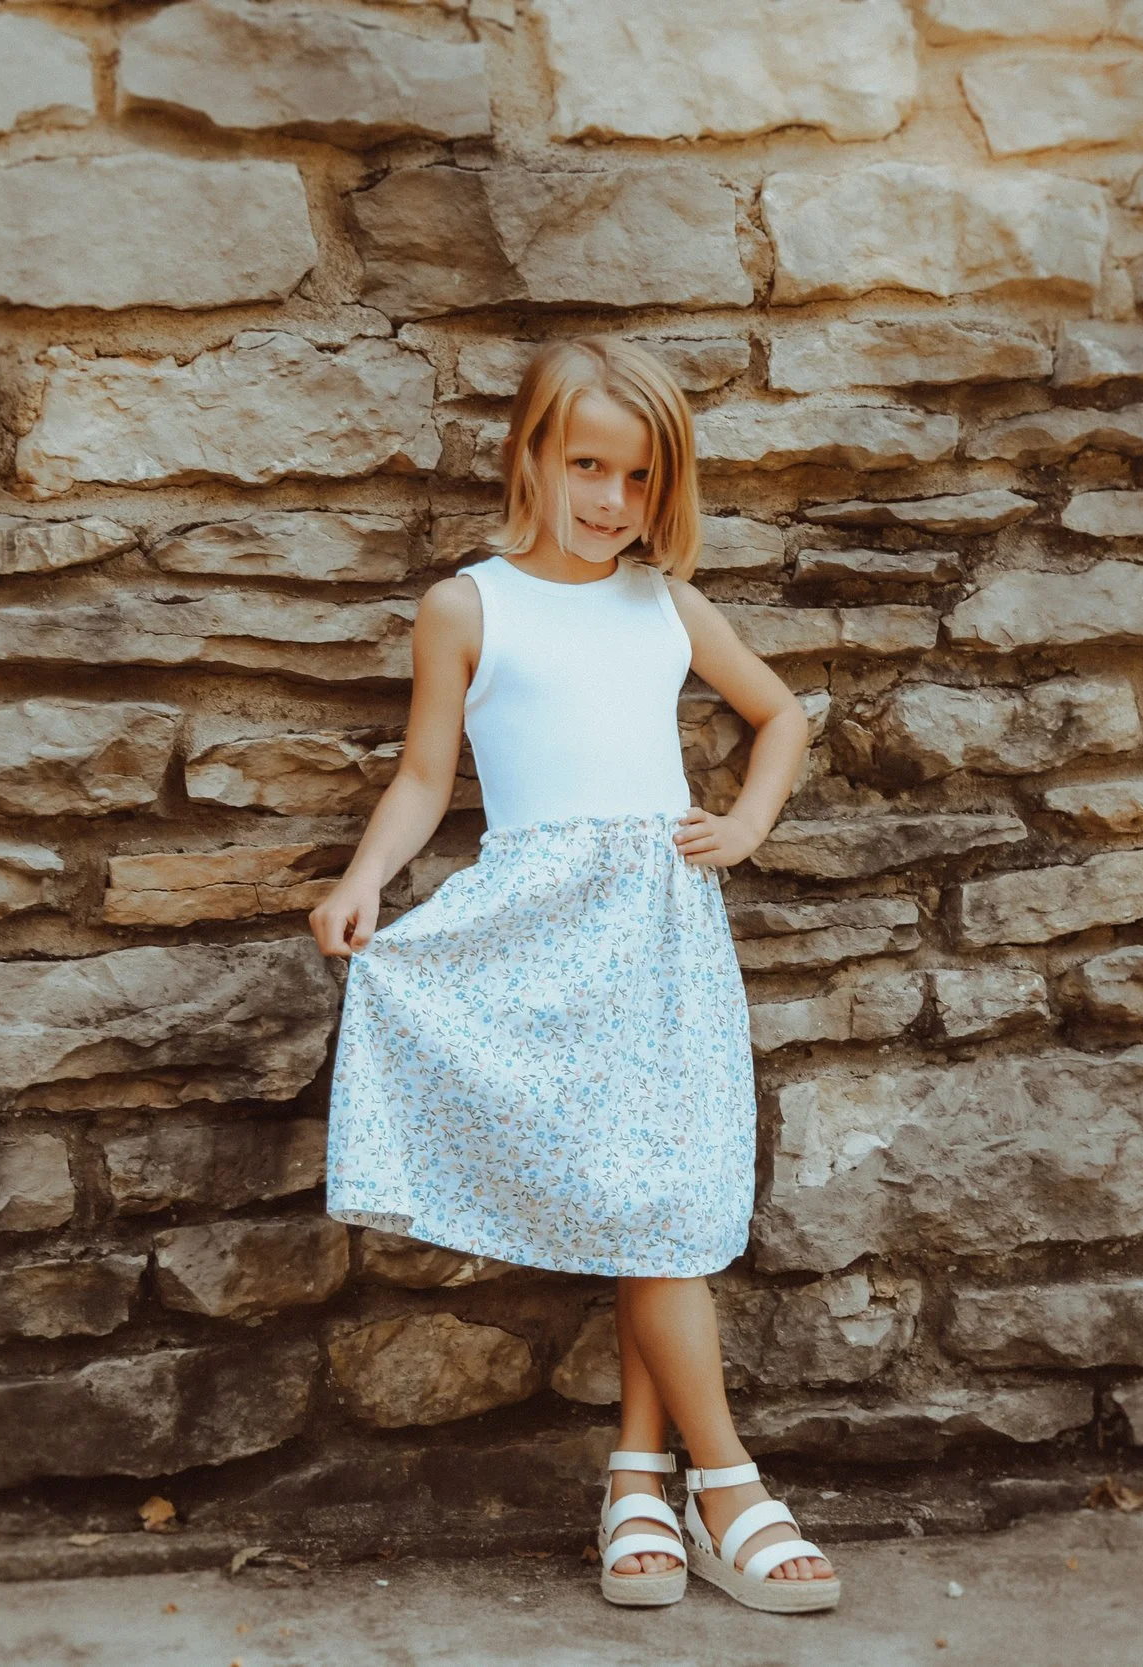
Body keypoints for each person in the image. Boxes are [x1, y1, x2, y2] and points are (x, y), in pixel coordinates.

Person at [309, 336, 838, 1615]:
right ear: (531, 457)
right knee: (638, 1202)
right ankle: (723, 1479)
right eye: (585, 464)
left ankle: (641, 1481)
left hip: (659, 930)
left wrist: (747, 824)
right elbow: (428, 775)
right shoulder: (468, 604)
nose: (611, 498)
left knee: (655, 1196)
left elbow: (781, 713)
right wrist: (364, 878)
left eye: (640, 476)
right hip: (538, 934)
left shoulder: (664, 604)